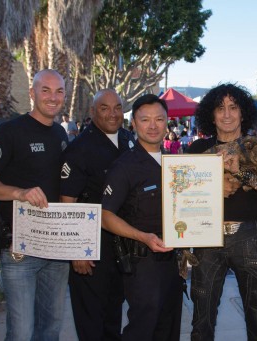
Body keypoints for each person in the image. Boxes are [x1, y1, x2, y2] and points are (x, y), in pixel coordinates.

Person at [0, 69, 69, 341]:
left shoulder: (61, 134)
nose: (53, 97)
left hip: (56, 246)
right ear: (32, 93)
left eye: (59, 91)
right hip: (20, 249)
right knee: (21, 332)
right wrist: (19, 192)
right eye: (46, 90)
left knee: (50, 328)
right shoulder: (9, 132)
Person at [187, 84, 257, 341]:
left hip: (251, 237)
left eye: (233, 107)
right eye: (220, 108)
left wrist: (240, 172)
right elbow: (182, 196)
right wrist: (215, 187)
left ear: (243, 113)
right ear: (211, 114)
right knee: (201, 322)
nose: (227, 114)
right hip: (207, 239)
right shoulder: (196, 150)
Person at [101, 94, 183, 341]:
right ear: (133, 124)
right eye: (145, 119)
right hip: (142, 263)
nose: (153, 125)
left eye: (159, 119)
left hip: (173, 261)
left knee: (169, 326)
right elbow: (105, 216)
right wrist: (142, 236)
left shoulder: (176, 163)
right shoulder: (124, 166)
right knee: (142, 328)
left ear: (167, 122)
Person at [60, 89, 135, 340]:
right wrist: (77, 251)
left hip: (121, 244)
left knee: (114, 313)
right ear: (93, 112)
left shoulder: (128, 139)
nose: (113, 114)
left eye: (117, 107)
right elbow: (67, 202)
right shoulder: (80, 148)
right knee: (91, 319)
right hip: (90, 246)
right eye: (105, 108)